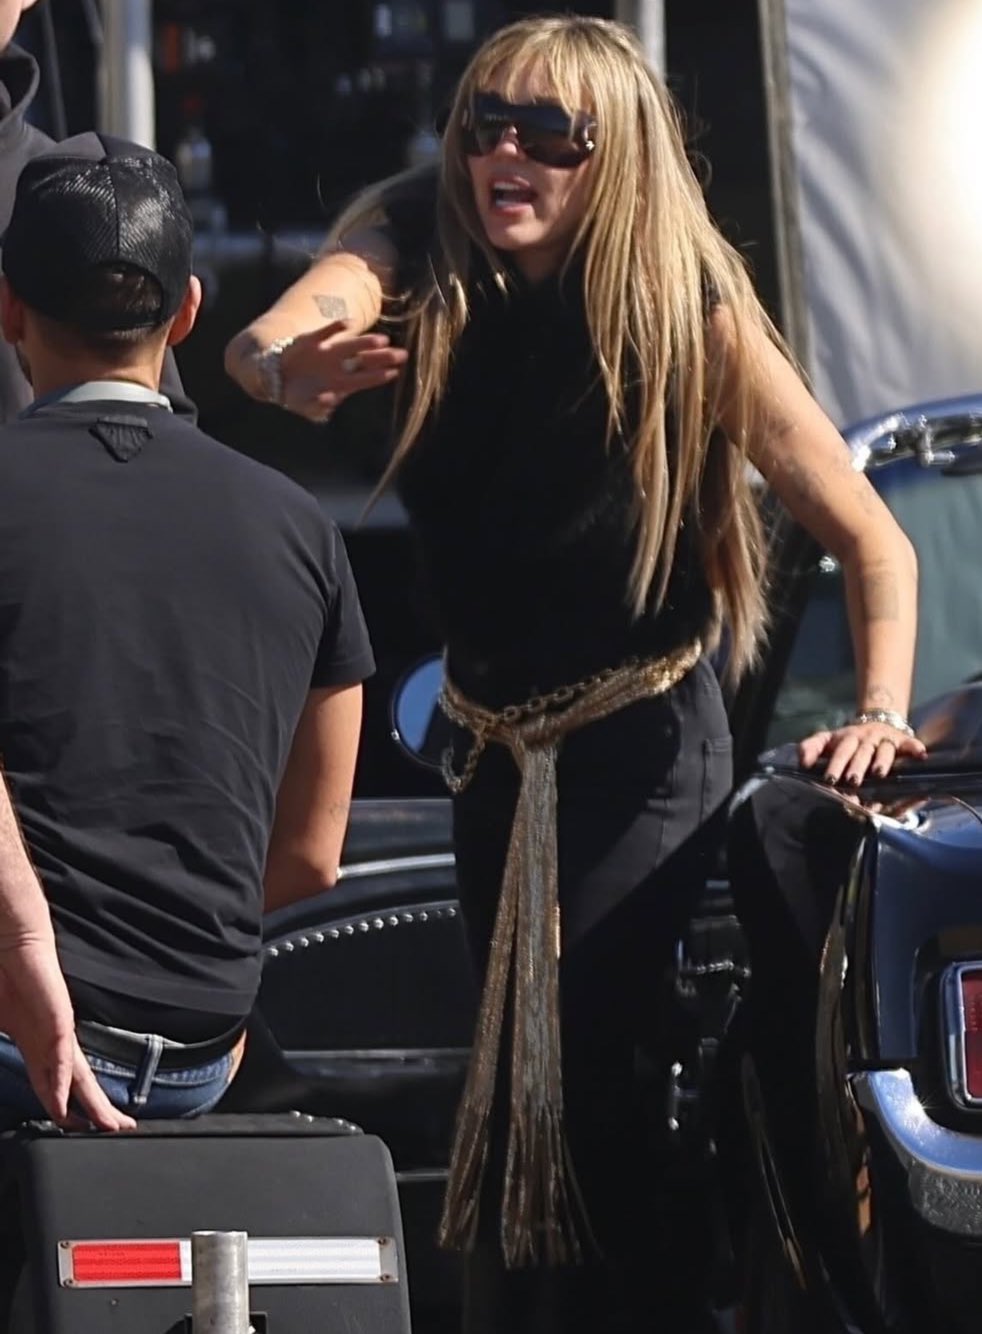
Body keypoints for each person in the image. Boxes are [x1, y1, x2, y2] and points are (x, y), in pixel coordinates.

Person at [225, 15, 924, 1332]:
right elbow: (305, 312)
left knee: (591, 1072)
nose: (505, 152)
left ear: (617, 157)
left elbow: (871, 537)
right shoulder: (416, 234)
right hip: (496, 745)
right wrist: (275, 367)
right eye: (484, 121)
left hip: (642, 740)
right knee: (510, 1085)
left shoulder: (685, 308)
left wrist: (880, 711)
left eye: (548, 133)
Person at [0, 132, 374, 1129]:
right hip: (201, 1051)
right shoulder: (301, 528)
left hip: (19, 1037)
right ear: (188, 313)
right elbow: (313, 854)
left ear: (8, 308)